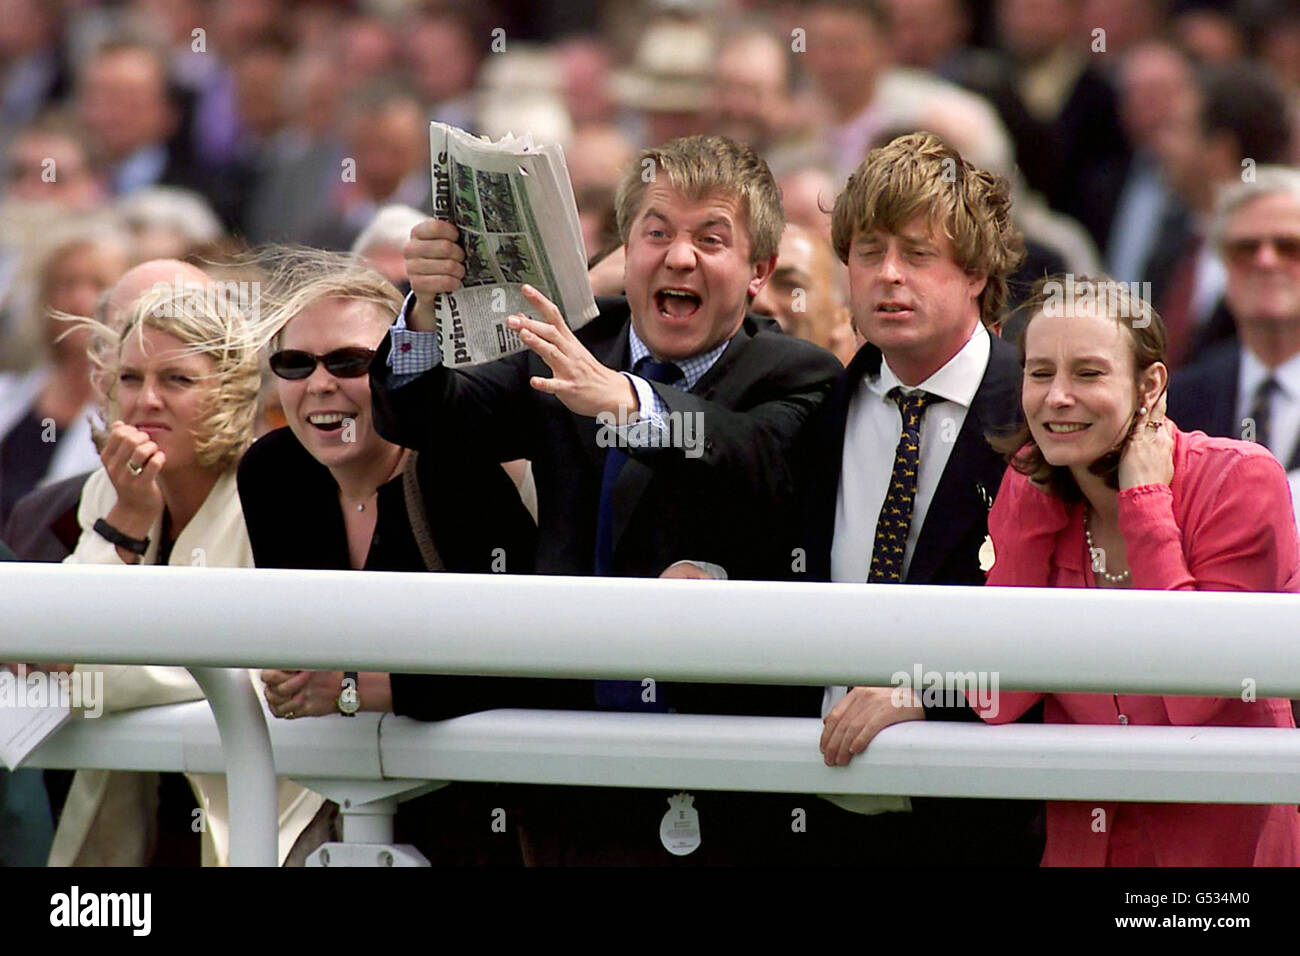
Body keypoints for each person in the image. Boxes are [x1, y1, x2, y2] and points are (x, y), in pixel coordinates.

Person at [372, 134, 841, 864]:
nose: (678, 256)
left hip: (735, 778)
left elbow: (755, 462)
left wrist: (627, 401)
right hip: (572, 770)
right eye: (657, 233)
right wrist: (423, 312)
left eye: (710, 239)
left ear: (758, 273)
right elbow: (423, 417)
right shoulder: (580, 341)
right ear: (629, 249)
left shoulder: (799, 372)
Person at [977, 275, 1300, 866]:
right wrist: (1030, 501)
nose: (1056, 398)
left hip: (1225, 860)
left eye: (1089, 373)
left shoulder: (1241, 479)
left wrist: (1145, 501)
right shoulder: (1032, 485)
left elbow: (1194, 696)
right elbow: (997, 697)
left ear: (1150, 385)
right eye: (1041, 373)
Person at [237, 250, 537, 864]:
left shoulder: (459, 468)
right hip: (342, 806)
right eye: (295, 364)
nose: (320, 384)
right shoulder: (272, 473)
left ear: (400, 372)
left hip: (485, 818)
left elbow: (523, 657)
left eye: (351, 363)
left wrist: (356, 688)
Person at [796, 131, 1043, 865]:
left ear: (975, 272)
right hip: (819, 812)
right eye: (868, 253)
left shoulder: (1041, 415)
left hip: (988, 826)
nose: (889, 276)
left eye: (918, 253)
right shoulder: (814, 411)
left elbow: (1077, 614)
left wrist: (930, 694)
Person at [46, 280, 323, 866]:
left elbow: (241, 671)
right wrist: (127, 518)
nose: (146, 401)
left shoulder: (275, 485)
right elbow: (59, 631)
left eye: (176, 380)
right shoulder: (108, 486)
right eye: (130, 378)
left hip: (256, 810)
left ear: (230, 390)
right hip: (137, 811)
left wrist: (83, 670)